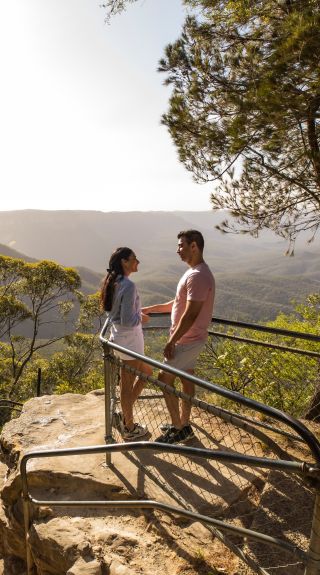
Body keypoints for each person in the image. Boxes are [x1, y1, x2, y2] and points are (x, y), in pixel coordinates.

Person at [142, 230, 215, 444]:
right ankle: (184, 423)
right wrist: (149, 309)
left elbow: (191, 313)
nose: (178, 250)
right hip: (192, 339)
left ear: (194, 246)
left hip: (187, 340)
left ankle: (177, 428)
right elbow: (177, 303)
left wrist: (172, 340)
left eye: (181, 245)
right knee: (186, 377)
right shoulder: (194, 272)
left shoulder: (198, 276)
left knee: (164, 379)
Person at [101, 247, 151, 440]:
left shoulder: (113, 282)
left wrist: (136, 314)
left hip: (119, 338)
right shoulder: (128, 285)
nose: (138, 262)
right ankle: (129, 428)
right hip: (130, 340)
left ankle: (125, 414)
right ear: (124, 262)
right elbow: (129, 319)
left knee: (146, 373)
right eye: (134, 259)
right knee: (127, 384)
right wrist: (142, 318)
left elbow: (112, 314)